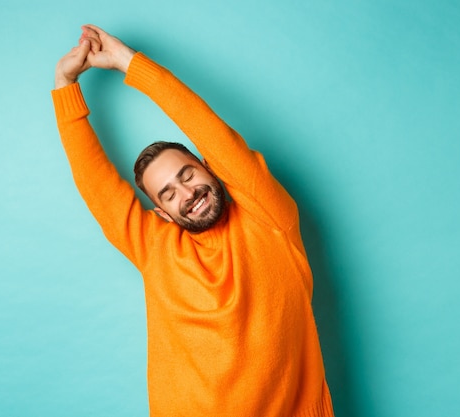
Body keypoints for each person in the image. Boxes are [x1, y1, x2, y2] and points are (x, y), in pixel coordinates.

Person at [52, 24, 334, 417]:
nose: (188, 194)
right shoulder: (155, 248)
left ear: (208, 167)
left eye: (188, 175)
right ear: (162, 213)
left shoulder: (268, 216)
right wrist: (65, 84)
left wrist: (127, 62)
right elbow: (94, 182)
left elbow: (209, 129)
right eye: (168, 193)